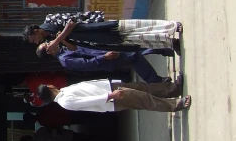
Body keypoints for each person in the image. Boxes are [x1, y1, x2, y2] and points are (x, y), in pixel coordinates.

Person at [22, 12, 182, 53]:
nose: (36, 42)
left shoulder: (50, 20)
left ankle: (172, 27)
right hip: (99, 41)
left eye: (34, 38)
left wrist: (58, 39)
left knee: (139, 27)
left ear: (36, 30)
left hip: (98, 27)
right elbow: (74, 49)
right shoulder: (50, 41)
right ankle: (168, 42)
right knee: (138, 41)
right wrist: (61, 42)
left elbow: (71, 22)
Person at [36, 41, 175, 84]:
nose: (49, 42)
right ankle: (155, 80)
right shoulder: (65, 60)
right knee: (134, 56)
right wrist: (104, 58)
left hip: (103, 49)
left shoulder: (64, 48)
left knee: (133, 52)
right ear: (49, 52)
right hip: (106, 59)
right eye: (47, 45)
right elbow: (87, 64)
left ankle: (164, 51)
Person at [37, 80, 191, 114]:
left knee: (144, 87)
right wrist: (111, 95)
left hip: (110, 86)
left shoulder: (64, 91)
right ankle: (176, 104)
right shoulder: (65, 101)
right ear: (50, 87)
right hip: (112, 98)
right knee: (144, 99)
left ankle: (172, 89)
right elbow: (89, 100)